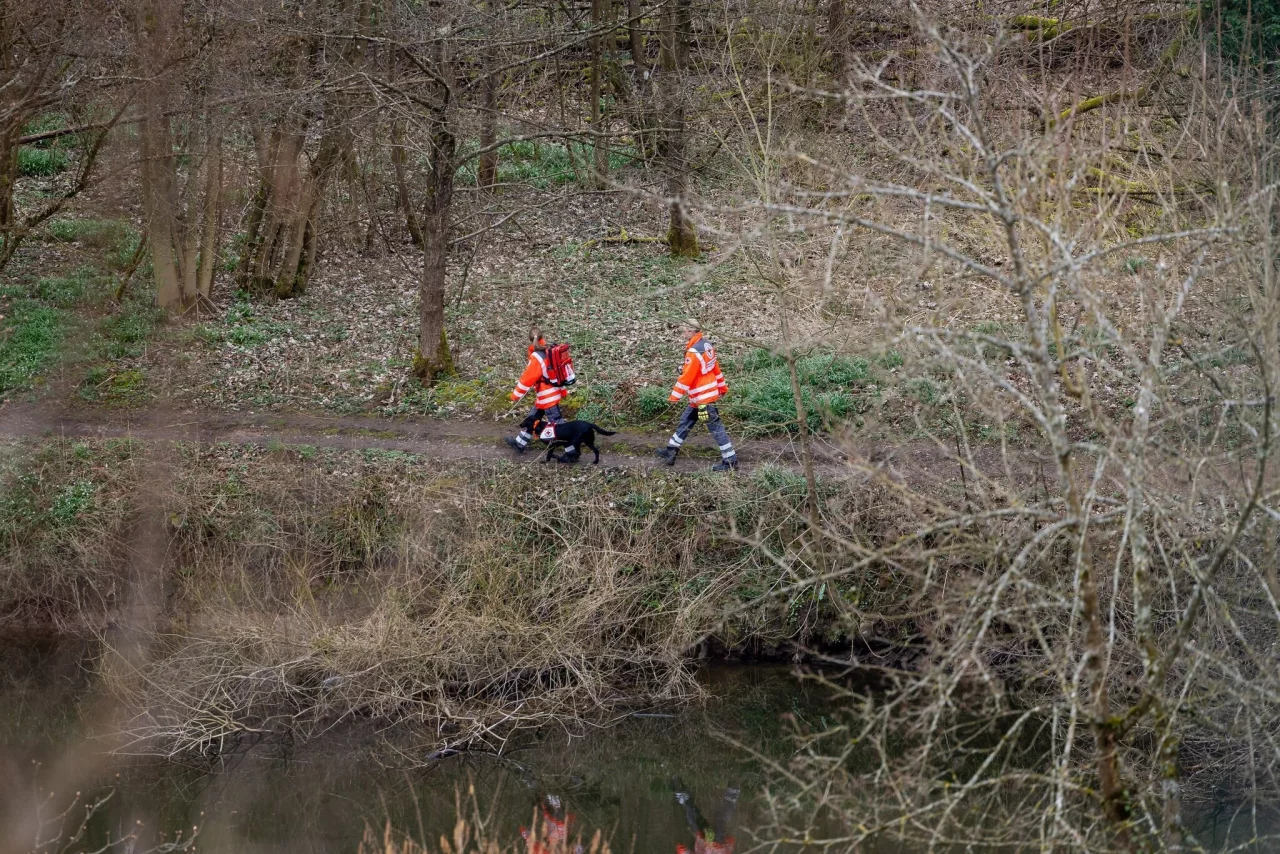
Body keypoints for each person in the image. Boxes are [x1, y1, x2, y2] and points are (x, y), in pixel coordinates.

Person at [655, 319, 739, 471]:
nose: (683, 334)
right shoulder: (706, 345)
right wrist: (722, 387)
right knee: (686, 421)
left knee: (716, 428)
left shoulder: (694, 352)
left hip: (702, 398)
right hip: (702, 396)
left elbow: (687, 377)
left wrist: (674, 396)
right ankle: (671, 450)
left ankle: (730, 461)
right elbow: (715, 368)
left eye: (684, 331)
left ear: (691, 331)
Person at [506, 328, 569, 454]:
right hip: (550, 393)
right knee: (532, 418)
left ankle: (571, 450)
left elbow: (527, 378)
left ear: (530, 339)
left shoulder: (537, 356)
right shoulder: (549, 350)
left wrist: (515, 395)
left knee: (558, 424)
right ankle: (520, 443)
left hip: (547, 396)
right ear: (542, 337)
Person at [672, 780, 740, 854]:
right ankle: (732, 794)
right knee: (720, 821)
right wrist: (729, 844)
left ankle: (685, 799)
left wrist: (683, 851)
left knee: (696, 822)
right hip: (718, 844)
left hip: (703, 839)